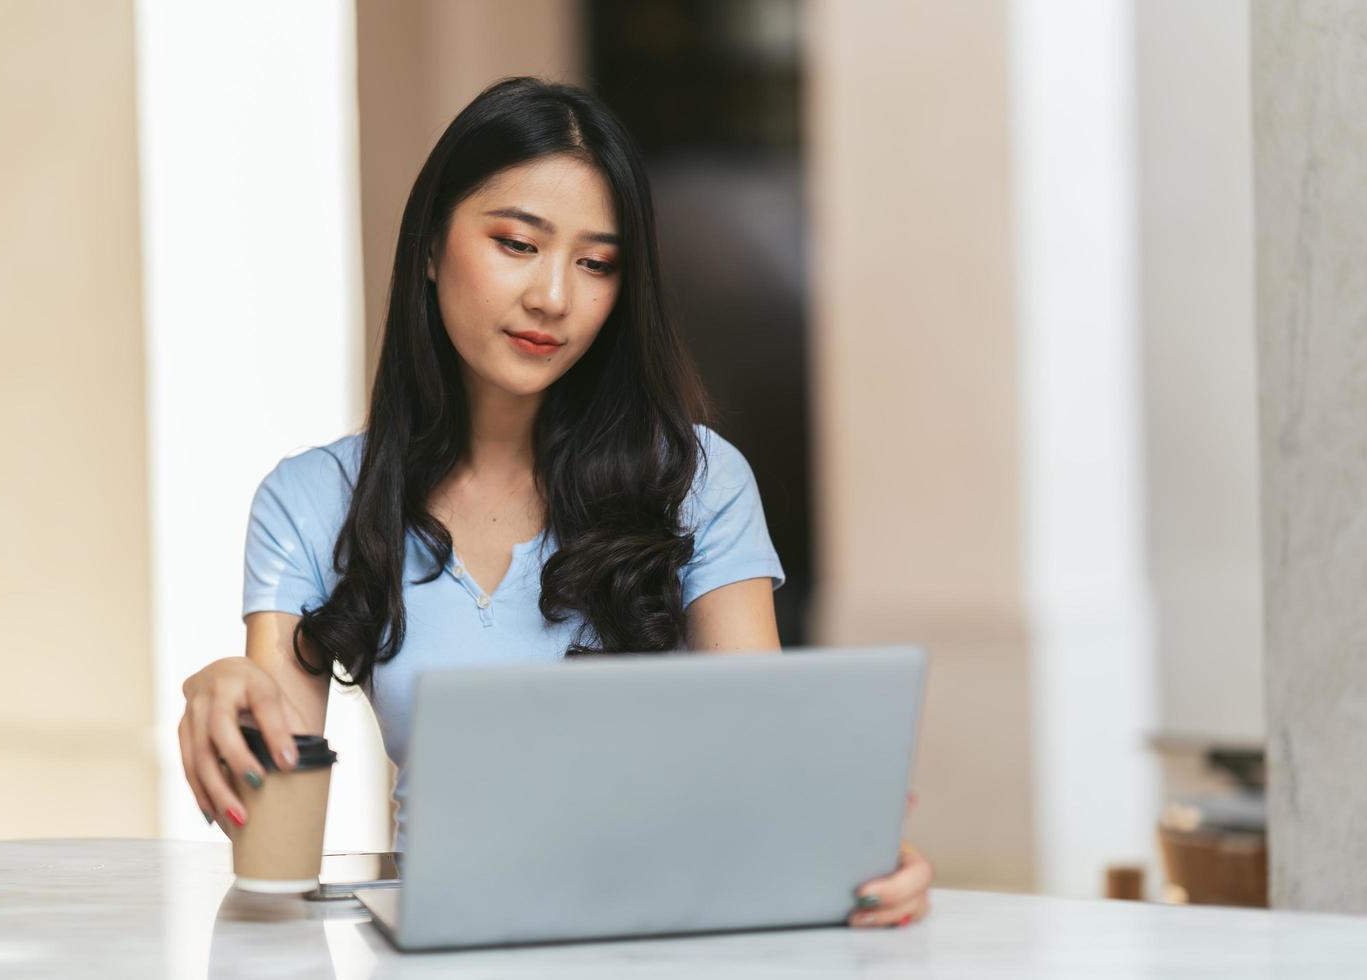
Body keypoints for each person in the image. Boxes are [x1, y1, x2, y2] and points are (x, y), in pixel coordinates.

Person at [177, 76, 932, 929]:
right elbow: (275, 860)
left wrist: (850, 856)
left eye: (597, 263)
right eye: (516, 244)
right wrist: (231, 693)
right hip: (440, 948)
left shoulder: (700, 483)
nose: (555, 299)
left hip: (662, 944)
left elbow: (759, 776)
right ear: (430, 247)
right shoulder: (311, 500)